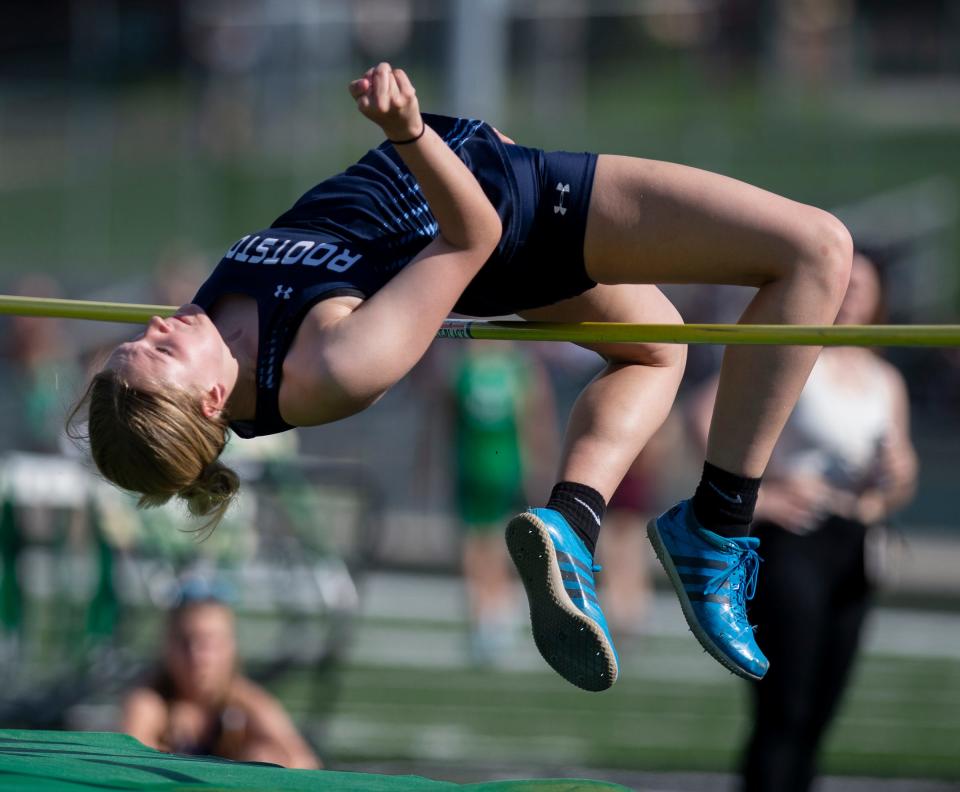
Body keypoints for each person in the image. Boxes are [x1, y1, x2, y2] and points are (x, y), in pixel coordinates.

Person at [73, 62, 853, 691]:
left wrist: (424, 141)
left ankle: (573, 527)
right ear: (213, 399)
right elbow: (473, 231)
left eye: (141, 339)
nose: (158, 323)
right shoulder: (333, 366)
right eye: (161, 350)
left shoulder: (209, 334)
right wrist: (408, 134)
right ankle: (717, 529)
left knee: (656, 348)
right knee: (817, 251)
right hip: (512, 208)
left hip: (476, 166)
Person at [688, 252, 918, 792]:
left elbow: (900, 478)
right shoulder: (798, 358)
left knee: (819, 714)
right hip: (792, 538)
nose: (851, 292)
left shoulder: (886, 379)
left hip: (856, 543)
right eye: (844, 282)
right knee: (784, 708)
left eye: (861, 283)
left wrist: (898, 474)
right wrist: (757, 497)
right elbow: (702, 415)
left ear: (879, 296)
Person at [121, 588, 321, 768]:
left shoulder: (246, 702)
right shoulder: (152, 702)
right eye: (186, 641)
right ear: (167, 647)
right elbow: (128, 766)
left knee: (265, 754)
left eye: (209, 643)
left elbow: (303, 762)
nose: (197, 656)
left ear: (230, 648)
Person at [450, 340, 556, 664]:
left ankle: (487, 617)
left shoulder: (468, 368)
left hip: (484, 465)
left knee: (478, 544)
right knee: (489, 544)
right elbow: (536, 422)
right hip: (496, 466)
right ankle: (493, 616)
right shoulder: (517, 369)